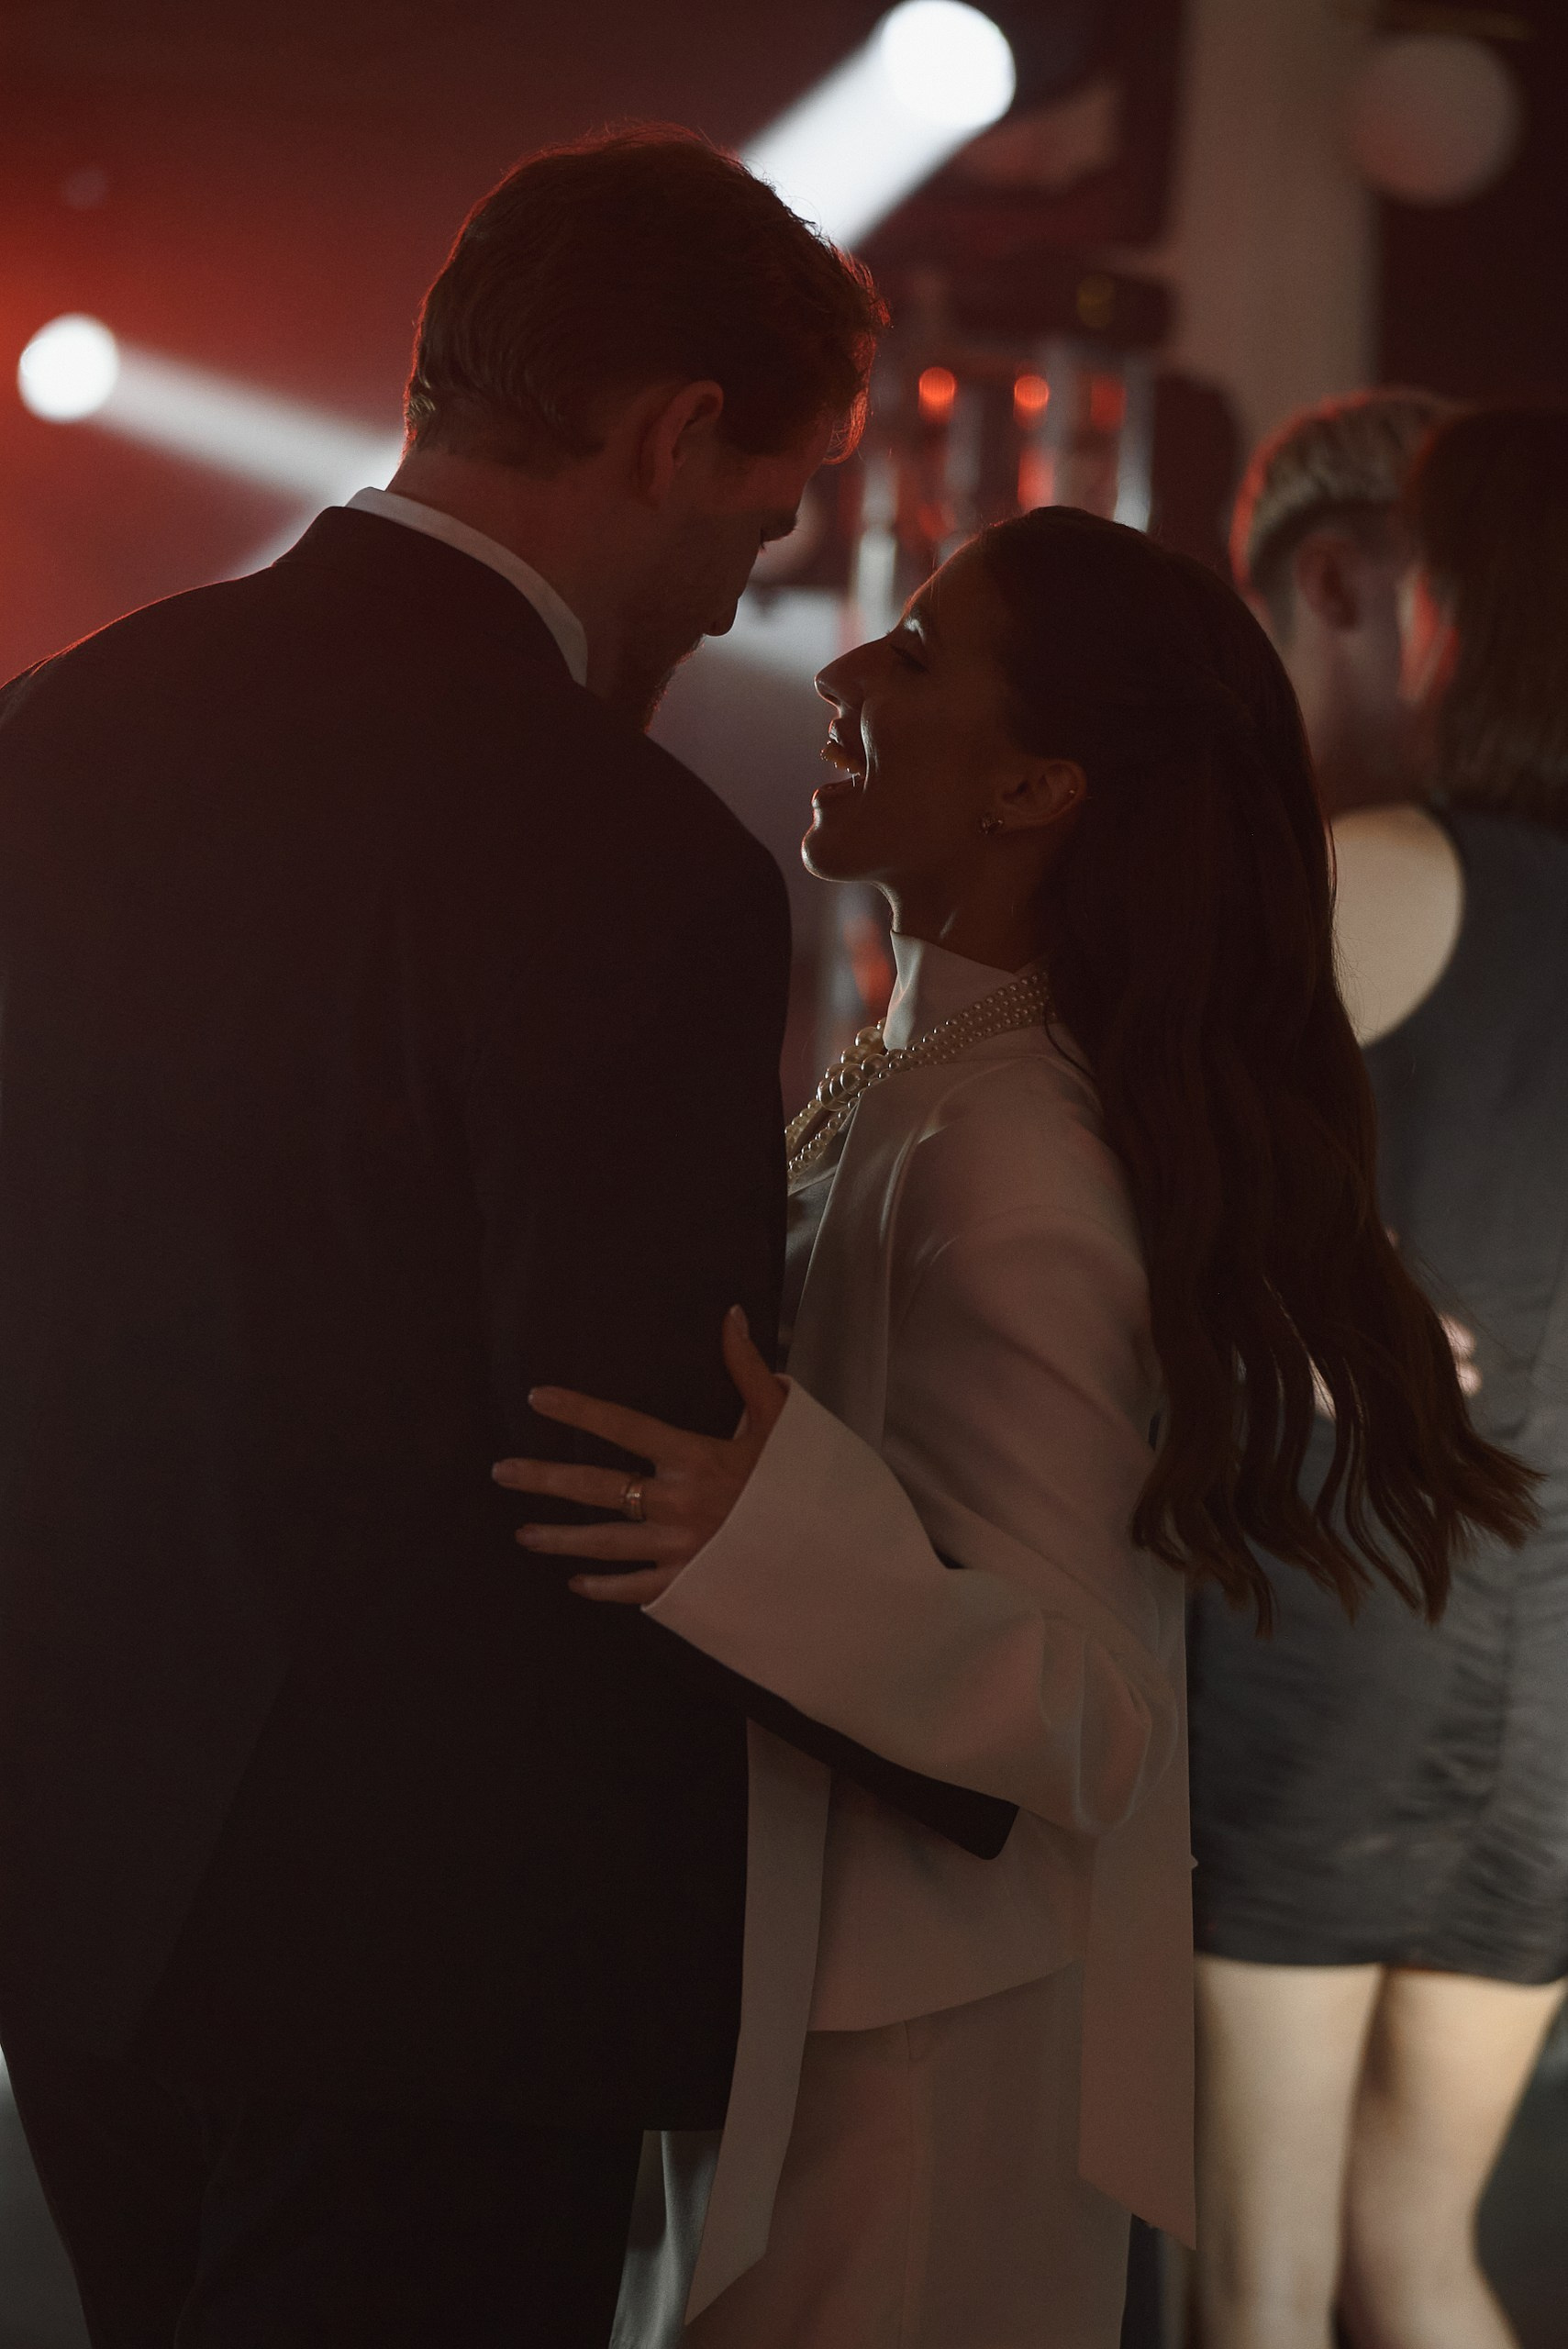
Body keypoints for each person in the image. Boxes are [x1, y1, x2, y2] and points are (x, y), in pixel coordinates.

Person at [0, 128, 906, 2348]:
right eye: (767, 513)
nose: (742, 591)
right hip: (443, 1943)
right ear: (675, 431)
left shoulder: (45, 733)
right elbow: (637, 1445)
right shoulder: (635, 856)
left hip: (64, 1851)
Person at [494, 503, 1534, 2348]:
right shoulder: (940, 1068)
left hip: (919, 2040)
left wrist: (749, 1530)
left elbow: (1093, 1705)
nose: (837, 668)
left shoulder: (1007, 1152)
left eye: (912, 653)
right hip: (842, 1981)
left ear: (1038, 785)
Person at [1189, 397, 1568, 2349]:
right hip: (1554, 1677)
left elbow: (1106, 1200)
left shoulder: (1380, 876)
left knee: (1256, 2282)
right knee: (1421, 2260)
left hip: (1337, 1625)